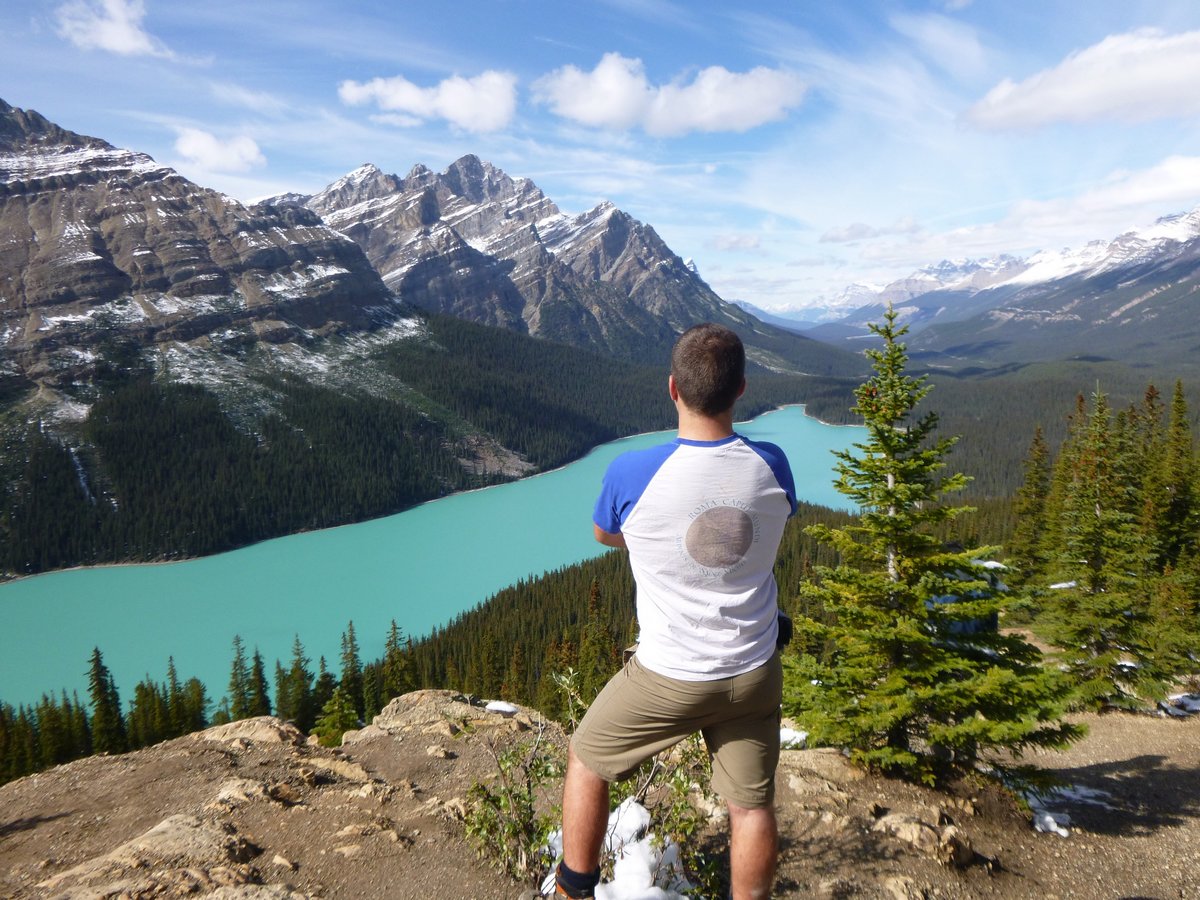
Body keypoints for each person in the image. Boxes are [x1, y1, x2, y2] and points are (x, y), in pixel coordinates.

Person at [555, 323, 797, 900]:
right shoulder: (773, 464)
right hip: (754, 671)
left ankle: (572, 890)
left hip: (669, 678)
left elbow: (604, 534)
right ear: (741, 389)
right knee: (751, 806)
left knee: (587, 757)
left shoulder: (631, 473)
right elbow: (778, 514)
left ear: (672, 389)